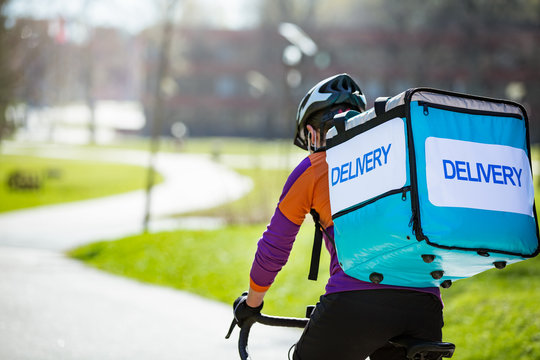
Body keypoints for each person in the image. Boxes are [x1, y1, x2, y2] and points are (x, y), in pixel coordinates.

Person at [233, 74, 444, 360]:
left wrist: (252, 303)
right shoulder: (402, 161)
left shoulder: (314, 168)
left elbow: (275, 246)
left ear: (311, 132)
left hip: (356, 300)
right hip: (425, 308)